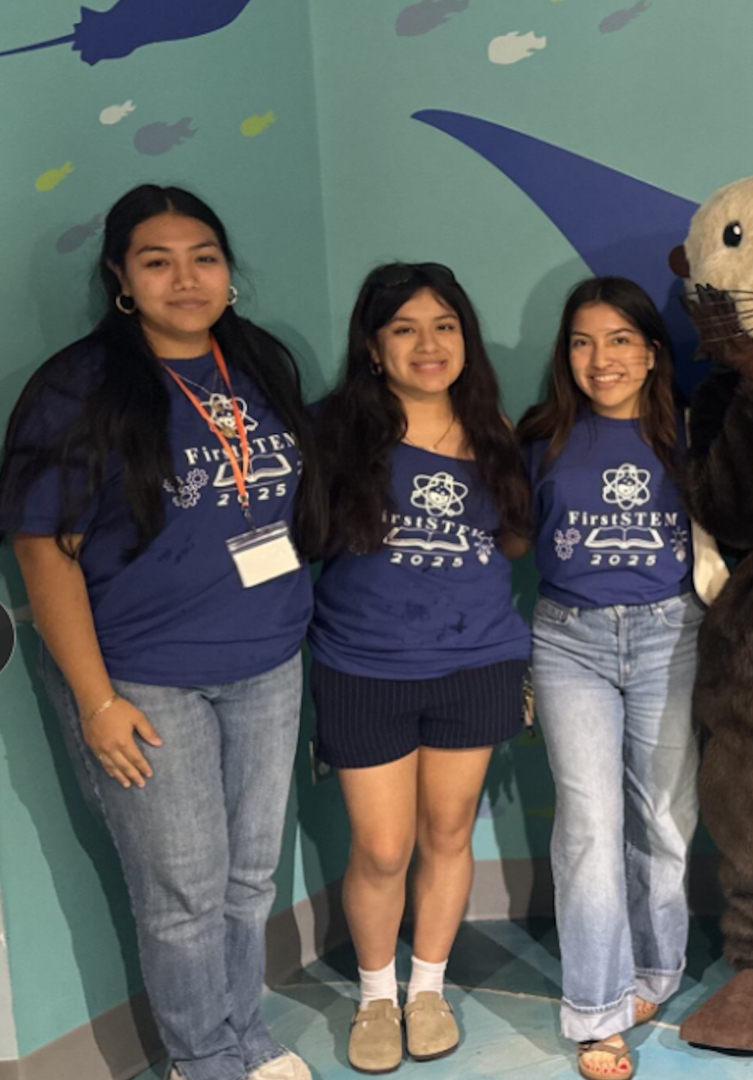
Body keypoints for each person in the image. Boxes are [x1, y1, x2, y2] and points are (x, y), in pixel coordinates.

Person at [0, 185, 322, 1080]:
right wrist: (95, 701)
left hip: (267, 662)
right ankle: (202, 1058)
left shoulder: (257, 360)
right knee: (181, 893)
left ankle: (245, 1036)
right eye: (157, 261)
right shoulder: (80, 388)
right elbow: (45, 552)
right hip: (144, 681)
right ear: (121, 280)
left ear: (227, 271)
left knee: (250, 877)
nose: (186, 278)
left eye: (204, 257)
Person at [308, 263, 533, 1075]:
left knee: (448, 830)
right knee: (381, 846)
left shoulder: (494, 431)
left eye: (444, 326)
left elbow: (511, 541)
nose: (427, 344)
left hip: (477, 662)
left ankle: (427, 988)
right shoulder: (332, 432)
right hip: (362, 666)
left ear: (465, 340)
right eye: (404, 328)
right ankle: (376, 996)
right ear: (373, 347)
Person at [518, 278, 703, 1080]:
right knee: (589, 828)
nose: (603, 359)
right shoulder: (541, 439)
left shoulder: (689, 435)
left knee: (664, 820)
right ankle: (597, 1012)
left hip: (673, 636)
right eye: (585, 342)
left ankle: (655, 974)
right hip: (569, 644)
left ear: (652, 351)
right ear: (567, 355)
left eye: (621, 339)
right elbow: (508, 549)